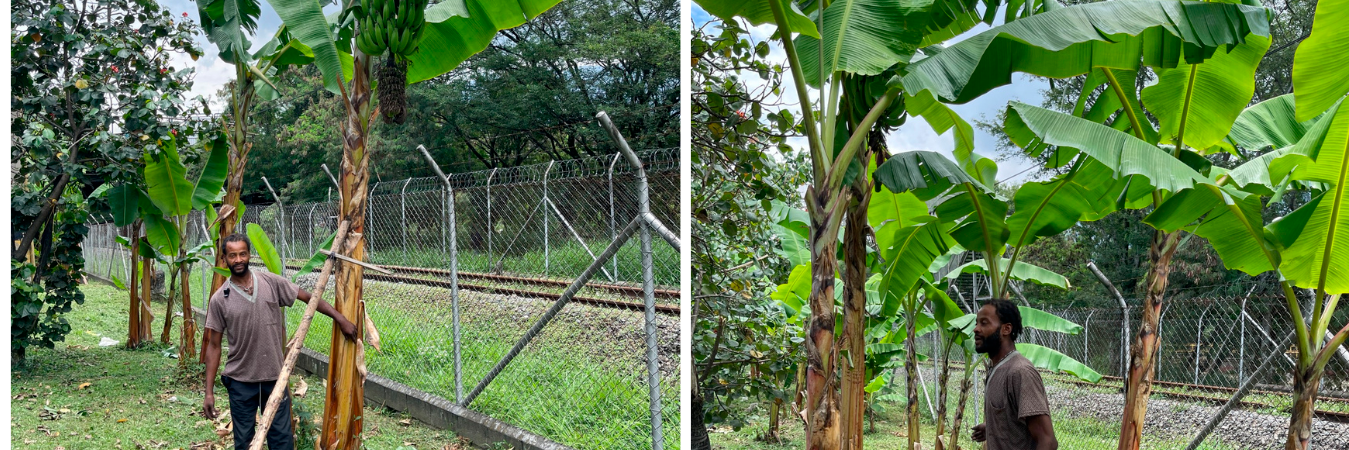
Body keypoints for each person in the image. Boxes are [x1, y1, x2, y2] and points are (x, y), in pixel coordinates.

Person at [201, 233, 357, 450]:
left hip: (275, 379)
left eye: (243, 254)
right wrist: (208, 392)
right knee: (244, 442)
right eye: (232, 255)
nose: (238, 260)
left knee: (282, 441)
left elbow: (309, 298)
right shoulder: (220, 299)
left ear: (249, 255)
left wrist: (340, 318)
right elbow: (214, 346)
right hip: (240, 382)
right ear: (224, 258)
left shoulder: (270, 283)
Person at [971, 299, 1057, 450]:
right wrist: (992, 427)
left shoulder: (1019, 372)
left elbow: (1047, 441)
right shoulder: (997, 368)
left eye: (984, 323)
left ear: (1006, 329)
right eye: (977, 323)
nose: (976, 329)